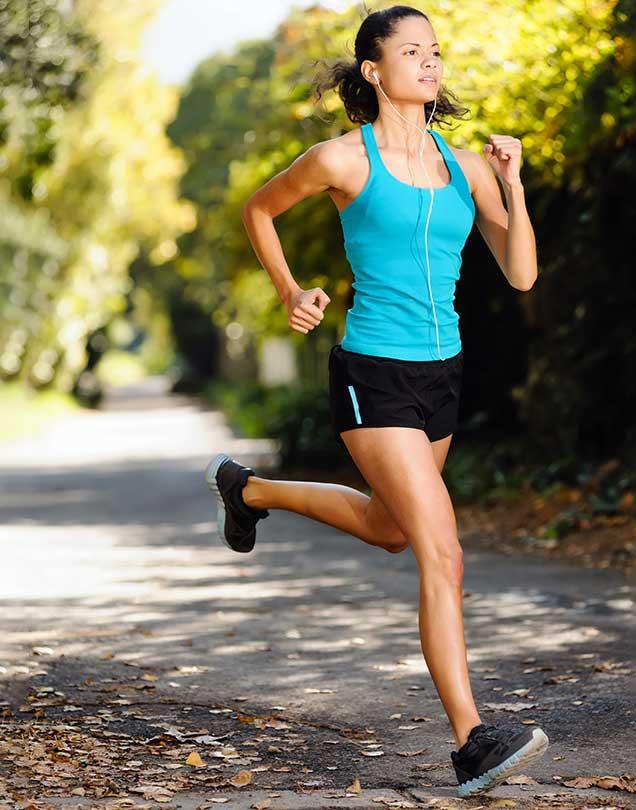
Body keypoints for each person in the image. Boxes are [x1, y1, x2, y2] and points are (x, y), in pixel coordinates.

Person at [205, 4, 547, 798]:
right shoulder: (341, 160)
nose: (430, 63)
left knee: (391, 529)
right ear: (374, 70)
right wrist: (290, 289)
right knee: (443, 552)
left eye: (436, 51)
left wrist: (514, 186)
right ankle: (470, 740)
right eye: (412, 51)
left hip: (442, 375)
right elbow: (259, 208)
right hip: (375, 372)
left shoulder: (464, 165)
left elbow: (522, 273)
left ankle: (247, 489)